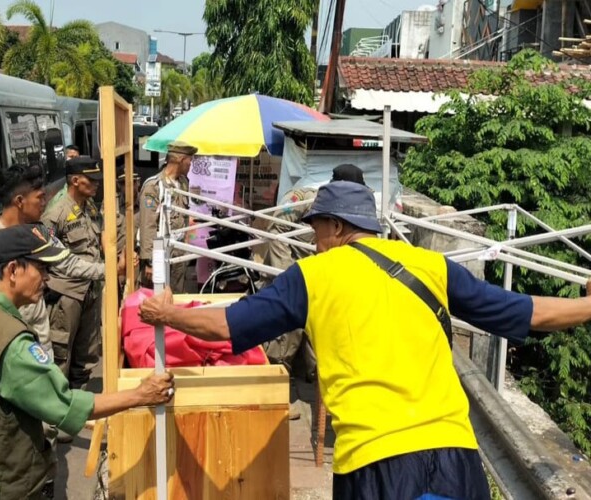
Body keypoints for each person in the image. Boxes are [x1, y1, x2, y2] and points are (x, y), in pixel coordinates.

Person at [139, 181, 591, 499]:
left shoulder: (312, 276)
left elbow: (229, 327)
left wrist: (167, 313)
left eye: (316, 229)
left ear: (336, 228)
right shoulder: (430, 265)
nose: (313, 241)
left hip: (376, 466)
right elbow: (526, 312)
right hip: (456, 458)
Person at [0, 225, 174, 500]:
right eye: (41, 268)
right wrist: (140, 394)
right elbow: (66, 406)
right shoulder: (11, 342)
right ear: (13, 270)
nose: (47, 278)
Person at [0, 164, 107, 358]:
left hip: (40, 343)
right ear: (20, 201)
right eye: (40, 197)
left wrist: (110, 270)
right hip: (5, 351)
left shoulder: (40, 233)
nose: (45, 202)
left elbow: (68, 263)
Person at [261, 164, 367, 419]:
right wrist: (288, 273)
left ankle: (312, 381)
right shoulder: (306, 199)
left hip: (318, 272)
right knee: (288, 332)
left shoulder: (347, 207)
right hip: (292, 268)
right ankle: (273, 397)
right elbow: (275, 229)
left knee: (318, 328)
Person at [41, 158, 116, 395]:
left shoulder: (90, 207)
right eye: (91, 180)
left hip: (90, 290)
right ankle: (58, 413)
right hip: (67, 295)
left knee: (87, 352)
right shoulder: (55, 214)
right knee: (61, 354)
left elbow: (99, 238)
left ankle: (80, 401)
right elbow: (53, 260)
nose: (96, 185)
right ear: (75, 181)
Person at [139, 141, 198, 292]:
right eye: (189, 160)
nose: (191, 164)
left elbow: (184, 217)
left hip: (178, 252)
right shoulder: (153, 187)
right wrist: (150, 262)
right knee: (158, 297)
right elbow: (148, 226)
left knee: (177, 296)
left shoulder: (183, 183)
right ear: (180, 159)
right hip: (160, 253)